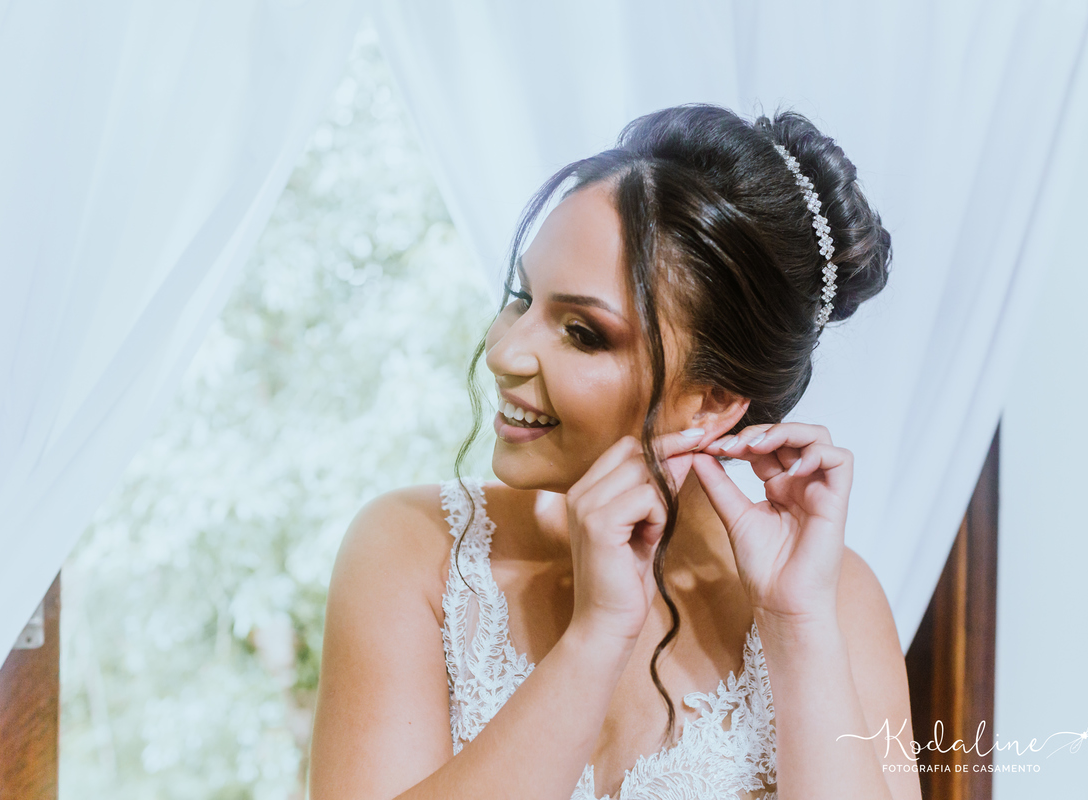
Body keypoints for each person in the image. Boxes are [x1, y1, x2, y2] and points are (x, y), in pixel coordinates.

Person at [308, 104, 921, 800]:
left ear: (715, 400)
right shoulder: (412, 551)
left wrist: (796, 626)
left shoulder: (835, 603)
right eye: (521, 297)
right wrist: (596, 638)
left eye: (582, 332)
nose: (505, 351)